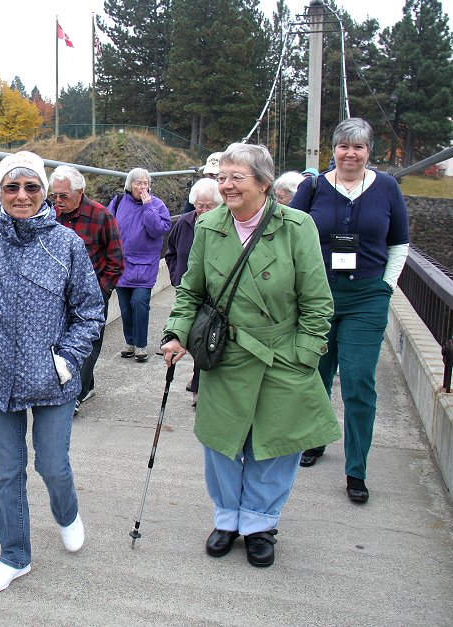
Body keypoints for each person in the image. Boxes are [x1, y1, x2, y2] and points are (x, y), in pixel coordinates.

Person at [161, 143, 341, 568]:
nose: (225, 185)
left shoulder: (298, 227)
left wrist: (304, 355)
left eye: (235, 177)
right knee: (222, 442)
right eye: (221, 177)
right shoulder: (209, 226)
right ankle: (226, 519)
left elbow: (318, 302)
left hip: (282, 354)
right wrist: (176, 334)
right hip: (225, 353)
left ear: (263, 182)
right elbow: (191, 290)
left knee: (276, 445)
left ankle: (259, 524)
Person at [0, 151, 104, 593]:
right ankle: (14, 555)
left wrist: (66, 358)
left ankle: (66, 512)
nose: (22, 195)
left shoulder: (66, 244)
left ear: (45, 192)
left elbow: (89, 311)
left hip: (53, 379)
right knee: (9, 472)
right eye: (12, 187)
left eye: (31, 187)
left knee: (52, 465)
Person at [289, 117, 410, 504]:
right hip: (318, 297)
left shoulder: (387, 187)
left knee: (359, 381)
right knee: (316, 374)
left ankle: (356, 469)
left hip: (366, 298)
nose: (351, 154)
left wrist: (386, 286)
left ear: (368, 152)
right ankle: (316, 439)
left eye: (358, 147)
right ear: (334, 150)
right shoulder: (312, 187)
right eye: (344, 146)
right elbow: (289, 232)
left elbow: (400, 243)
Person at [49, 165, 124, 414]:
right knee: (61, 341)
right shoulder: (50, 216)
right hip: (57, 294)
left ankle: (75, 395)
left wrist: (101, 292)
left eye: (63, 196)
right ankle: (85, 384)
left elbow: (116, 260)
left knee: (89, 342)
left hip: (92, 294)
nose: (57, 201)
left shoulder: (101, 216)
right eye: (54, 196)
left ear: (79, 192)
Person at [164, 177, 221, 405]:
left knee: (205, 338)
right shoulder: (185, 222)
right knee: (190, 337)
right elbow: (171, 252)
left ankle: (199, 385)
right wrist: (177, 278)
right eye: (200, 205)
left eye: (209, 206)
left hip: (214, 295)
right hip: (187, 291)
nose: (204, 210)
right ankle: (198, 382)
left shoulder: (222, 226)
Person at [109, 168, 172, 362]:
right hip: (122, 263)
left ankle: (141, 345)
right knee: (126, 307)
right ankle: (130, 342)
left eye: (145, 183)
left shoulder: (157, 204)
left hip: (145, 264)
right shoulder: (118, 202)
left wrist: (148, 207)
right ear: (130, 185)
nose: (142, 187)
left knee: (140, 303)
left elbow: (159, 230)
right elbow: (108, 226)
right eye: (138, 183)